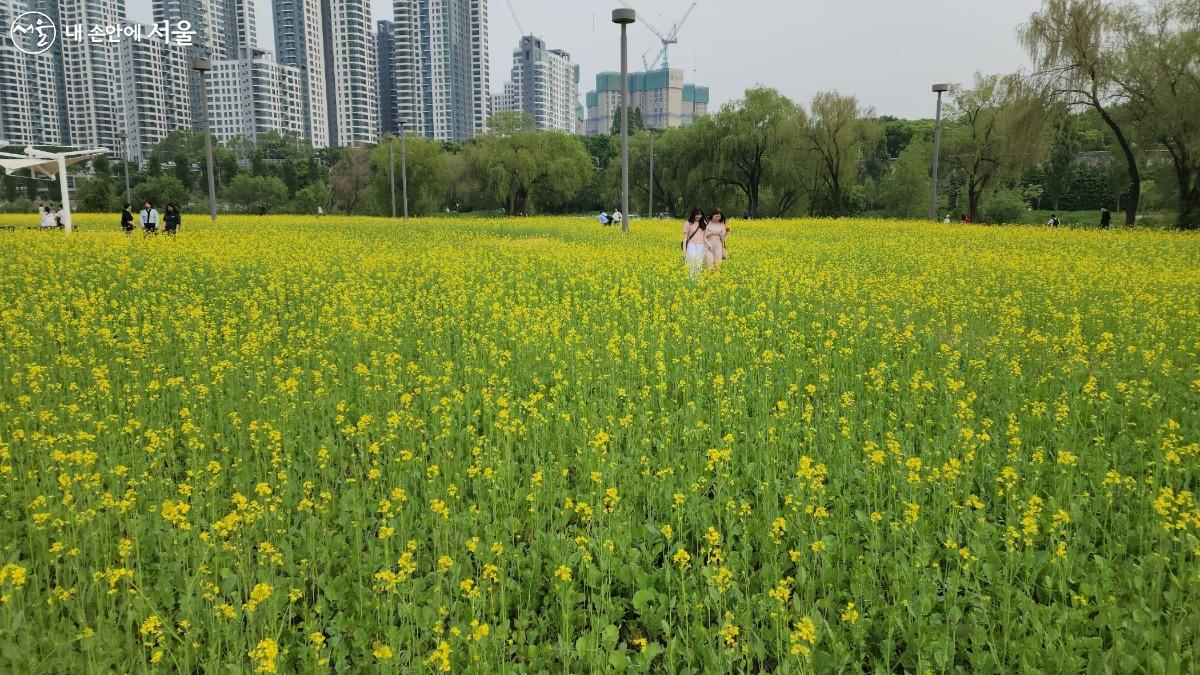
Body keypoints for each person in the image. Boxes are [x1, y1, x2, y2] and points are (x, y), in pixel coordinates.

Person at [681, 208, 708, 277]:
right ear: (693, 214)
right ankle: (690, 280)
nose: (698, 216)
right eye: (697, 214)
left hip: (701, 246)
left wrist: (709, 245)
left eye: (700, 214)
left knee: (698, 264)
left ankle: (697, 281)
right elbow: (685, 238)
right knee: (691, 263)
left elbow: (704, 237)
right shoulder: (688, 223)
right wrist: (684, 250)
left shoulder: (704, 223)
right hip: (691, 246)